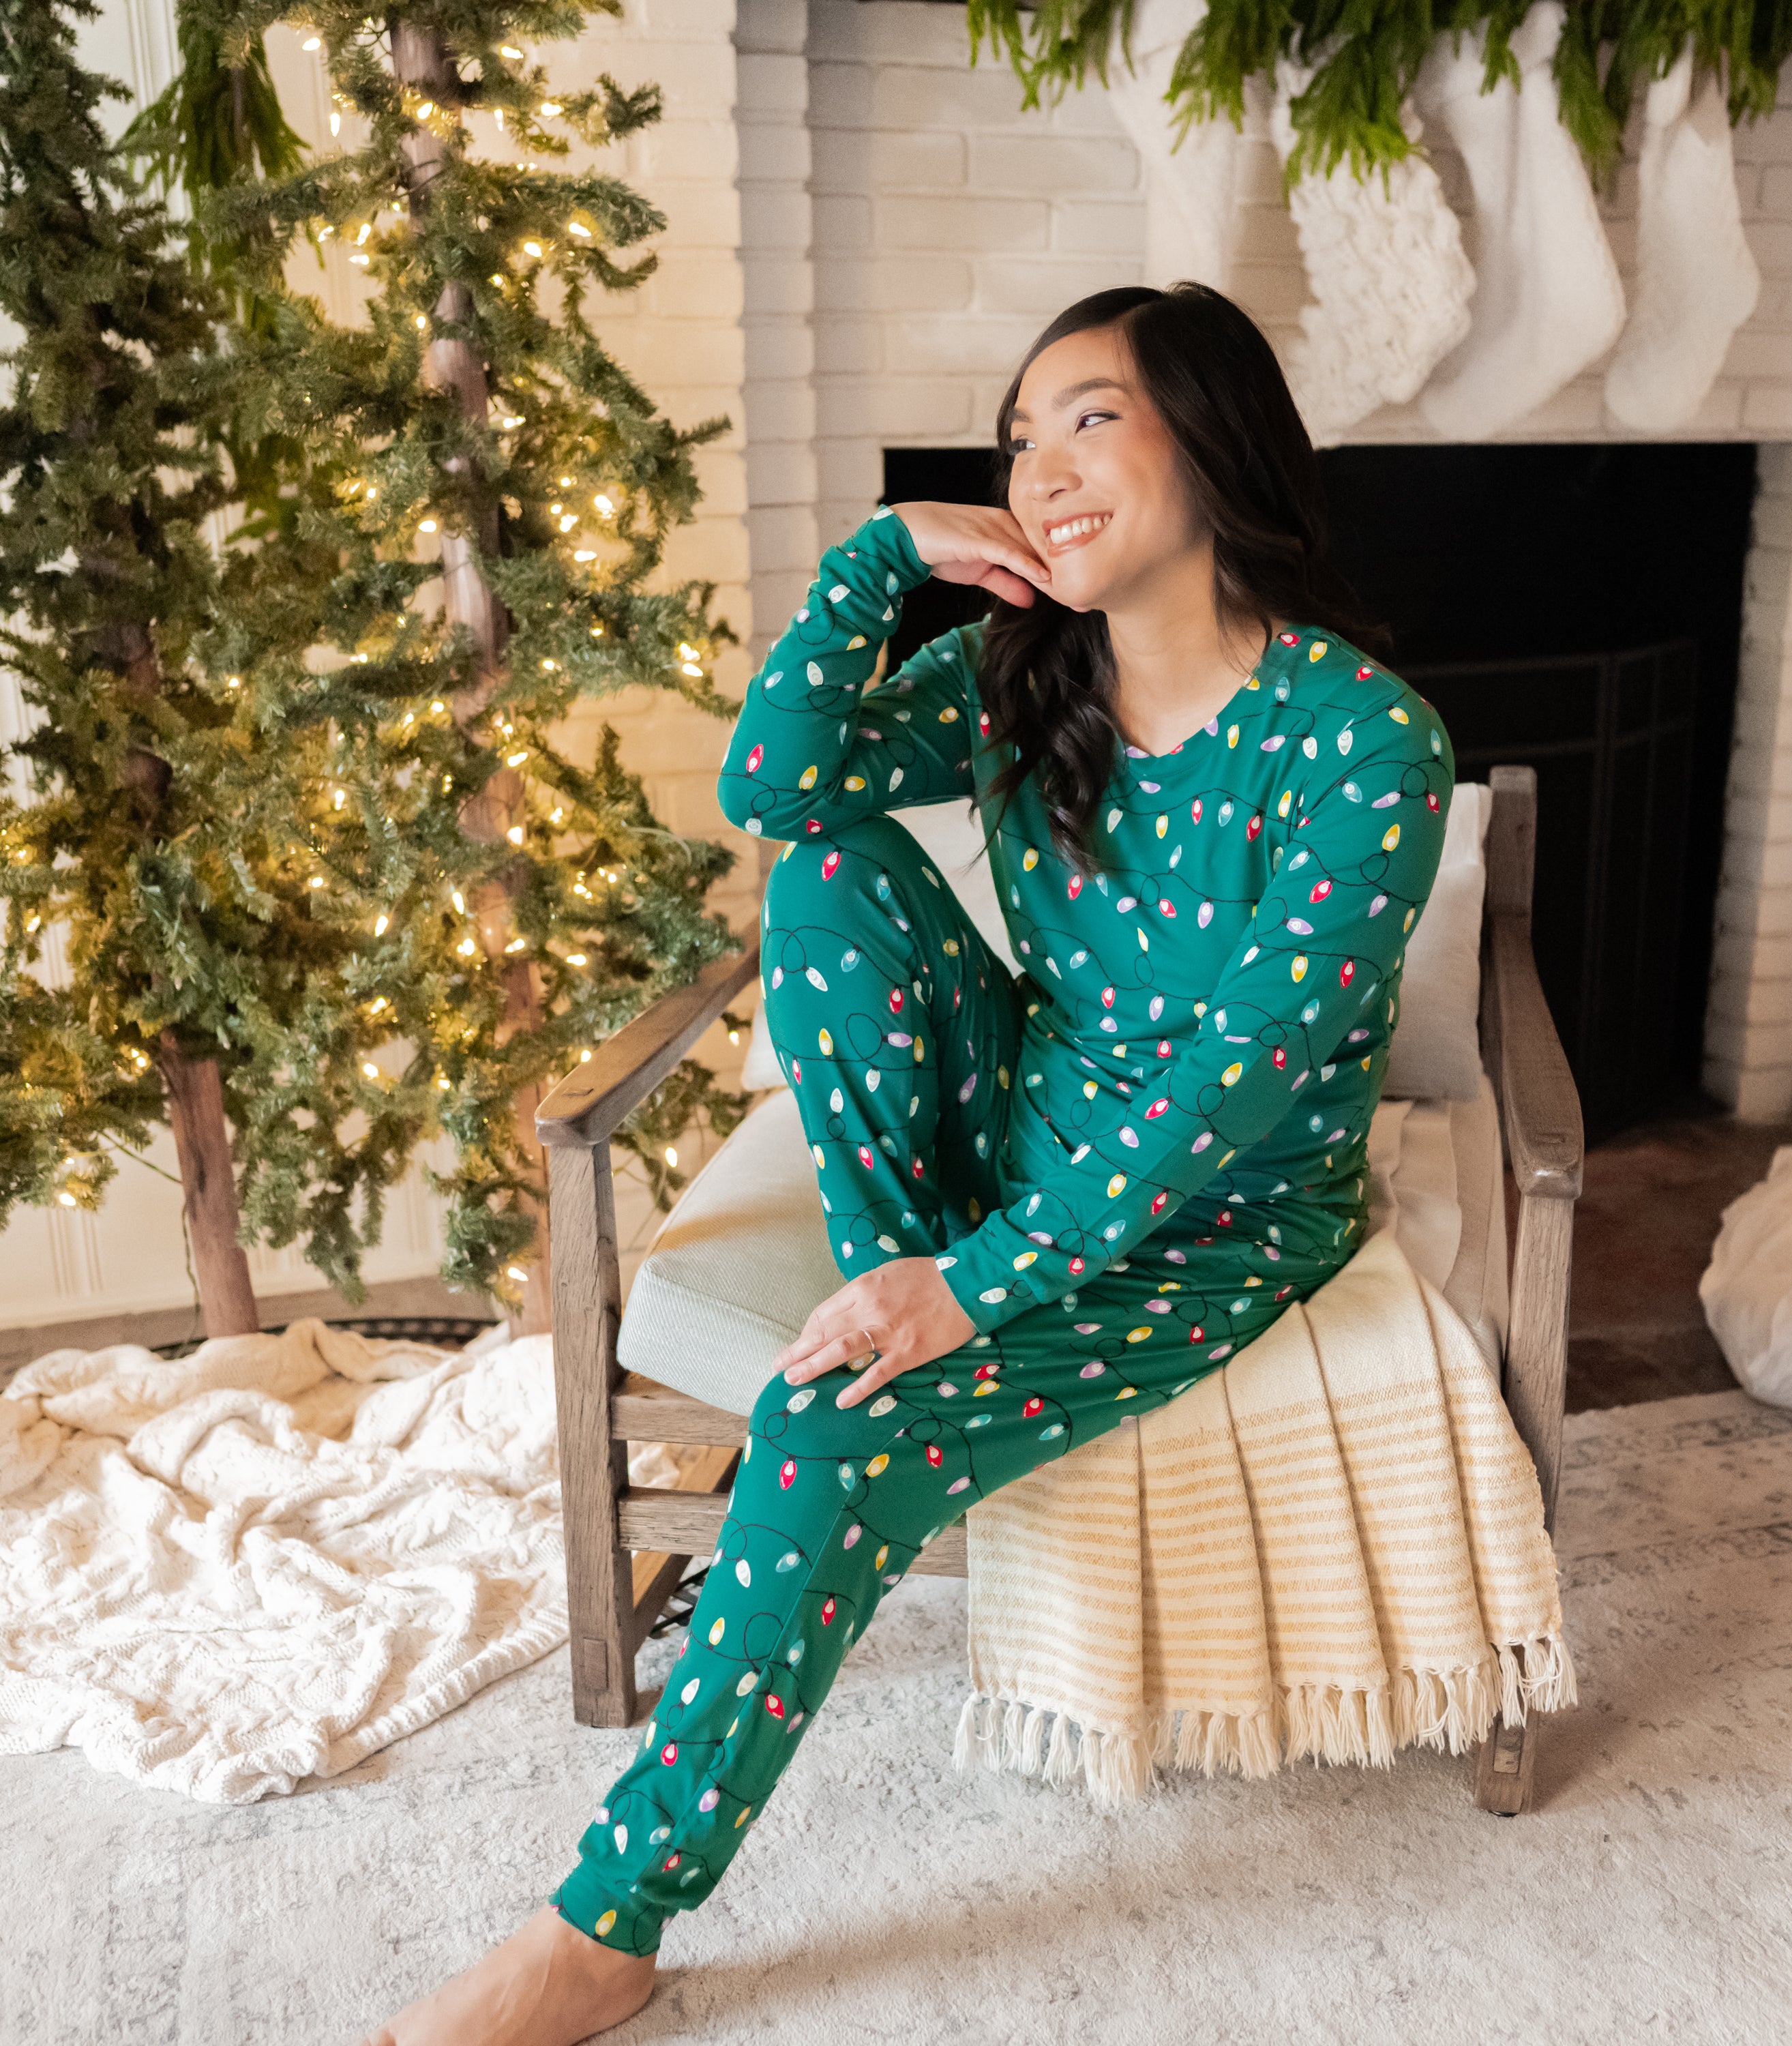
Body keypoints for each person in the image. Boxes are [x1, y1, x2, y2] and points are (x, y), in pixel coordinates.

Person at [363, 281, 1453, 2046]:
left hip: (1218, 1217)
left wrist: (983, 1290)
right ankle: (882, 1291)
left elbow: (1228, 1097)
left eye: (1089, 415)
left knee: (827, 1423)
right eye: (1019, 434)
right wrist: (878, 560)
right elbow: (775, 790)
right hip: (1008, 1138)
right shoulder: (1023, 672)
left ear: (1219, 436)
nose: (1040, 464)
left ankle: (608, 1928)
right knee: (829, 870)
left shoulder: (1364, 741)